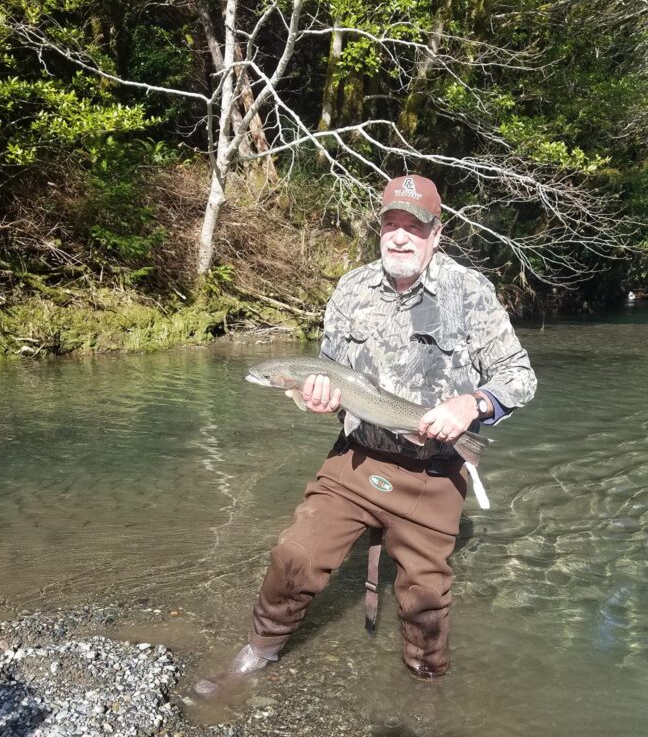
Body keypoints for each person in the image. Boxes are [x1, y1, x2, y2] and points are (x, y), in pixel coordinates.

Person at [201, 174, 536, 689]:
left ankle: (425, 688)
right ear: (379, 228)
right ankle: (259, 650)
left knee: (424, 600)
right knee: (294, 556)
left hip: (435, 469)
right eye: (390, 224)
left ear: (436, 233)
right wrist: (316, 397)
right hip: (354, 460)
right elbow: (328, 368)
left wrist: (473, 404)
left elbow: (519, 376)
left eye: (414, 227)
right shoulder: (352, 288)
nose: (399, 236)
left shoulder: (468, 292)